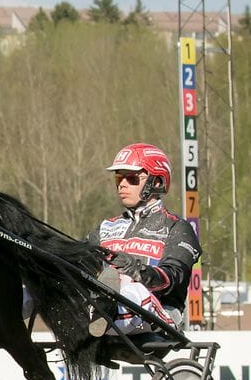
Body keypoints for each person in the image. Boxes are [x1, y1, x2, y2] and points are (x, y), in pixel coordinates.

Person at [86, 143, 201, 337]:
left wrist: (135, 270)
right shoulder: (106, 227)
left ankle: (105, 313)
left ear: (156, 182)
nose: (122, 184)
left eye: (131, 178)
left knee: (134, 290)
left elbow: (172, 278)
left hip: (158, 316)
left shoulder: (177, 227)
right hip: (106, 312)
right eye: (118, 177)